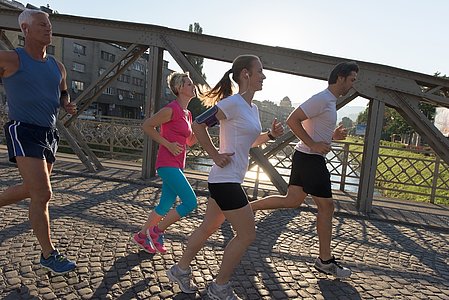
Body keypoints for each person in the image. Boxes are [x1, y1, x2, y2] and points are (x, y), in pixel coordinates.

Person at [166, 54, 284, 299]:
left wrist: (270, 136)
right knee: (248, 234)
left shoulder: (252, 108)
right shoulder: (233, 103)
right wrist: (215, 155)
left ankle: (180, 269)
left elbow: (251, 142)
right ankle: (219, 287)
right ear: (245, 74)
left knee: (209, 226)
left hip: (227, 179)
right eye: (260, 71)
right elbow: (199, 124)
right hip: (225, 179)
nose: (264, 76)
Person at [251, 61, 359, 279]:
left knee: (292, 200)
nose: (353, 85)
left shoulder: (329, 102)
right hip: (310, 158)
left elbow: (314, 130)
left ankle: (246, 208)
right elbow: (293, 120)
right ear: (340, 77)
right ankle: (325, 261)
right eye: (352, 80)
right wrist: (313, 144)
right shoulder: (322, 99)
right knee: (327, 207)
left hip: (305, 157)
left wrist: (332, 137)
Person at [0, 9, 77, 274]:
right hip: (23, 129)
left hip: (49, 133)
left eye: (49, 25)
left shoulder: (58, 66)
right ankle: (48, 255)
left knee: (35, 192)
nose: (48, 29)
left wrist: (67, 104)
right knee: (43, 192)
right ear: (25, 29)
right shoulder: (11, 59)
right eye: (42, 25)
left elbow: (63, 92)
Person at [133, 72, 198, 254]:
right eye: (189, 83)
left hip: (178, 165)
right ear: (179, 88)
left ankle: (141, 236)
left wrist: (204, 126)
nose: (194, 87)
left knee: (164, 206)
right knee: (191, 202)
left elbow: (190, 141)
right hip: (167, 163)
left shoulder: (188, 114)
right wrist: (168, 144)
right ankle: (157, 231)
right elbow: (147, 126)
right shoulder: (171, 109)